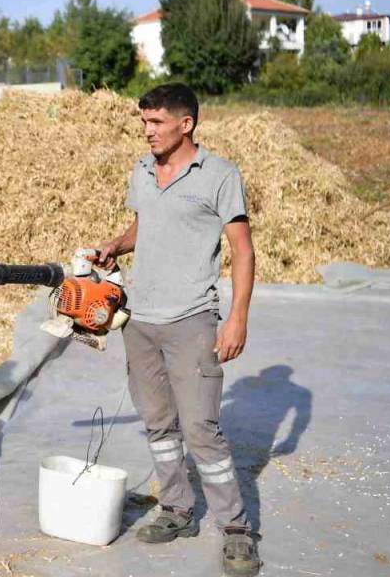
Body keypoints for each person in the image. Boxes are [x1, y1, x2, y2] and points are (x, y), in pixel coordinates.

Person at [94, 83, 260, 576]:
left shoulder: (220, 175)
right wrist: (117, 245)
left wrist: (237, 318)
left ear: (185, 124)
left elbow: (243, 251)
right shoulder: (143, 170)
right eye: (143, 122)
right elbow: (145, 223)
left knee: (201, 430)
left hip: (191, 320)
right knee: (158, 424)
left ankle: (235, 530)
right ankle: (177, 510)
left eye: (156, 123)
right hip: (139, 320)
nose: (147, 132)